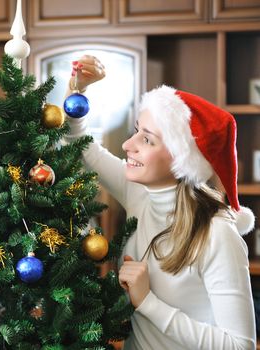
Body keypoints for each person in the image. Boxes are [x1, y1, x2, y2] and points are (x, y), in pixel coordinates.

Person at [64, 56, 256, 349]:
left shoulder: (217, 234)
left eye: (148, 140)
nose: (129, 145)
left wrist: (147, 302)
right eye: (136, 131)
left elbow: (240, 344)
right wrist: (78, 90)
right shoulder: (140, 193)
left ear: (182, 159)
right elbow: (81, 146)